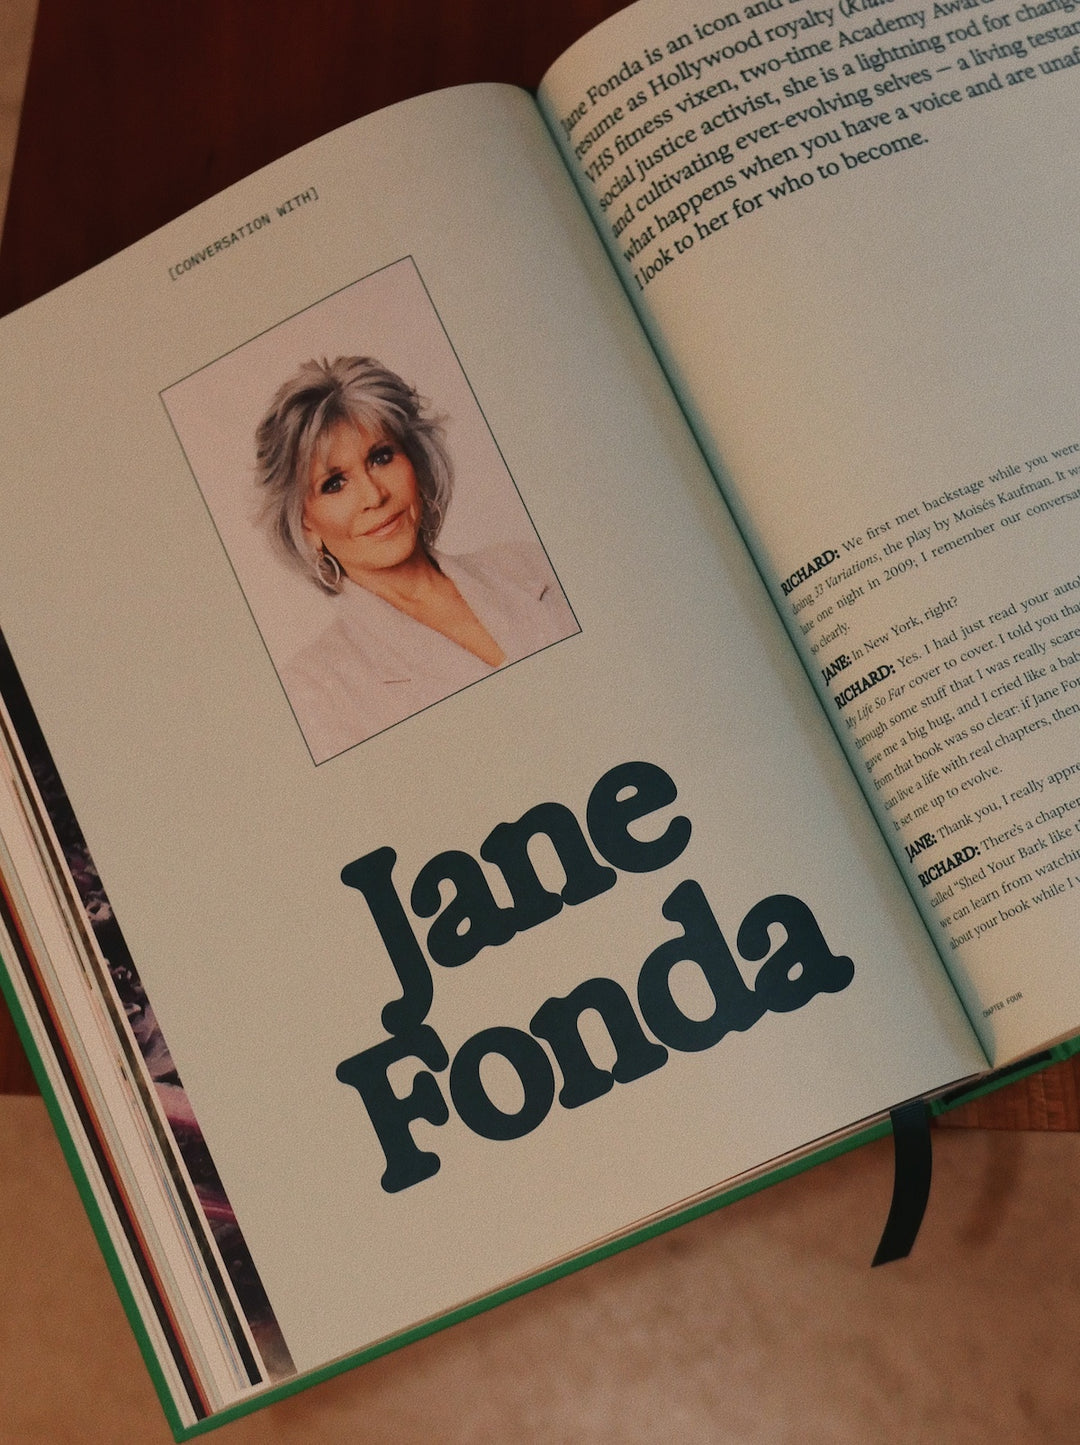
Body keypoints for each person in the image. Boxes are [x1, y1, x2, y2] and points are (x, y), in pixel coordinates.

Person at [254, 356, 577, 761]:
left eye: (382, 457)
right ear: (306, 524)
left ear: (415, 460)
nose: (374, 496)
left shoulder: (529, 564)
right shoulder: (317, 690)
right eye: (334, 483)